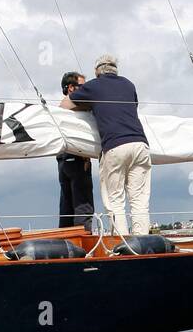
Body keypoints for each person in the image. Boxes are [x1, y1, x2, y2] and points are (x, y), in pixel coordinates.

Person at [62, 54, 151, 236]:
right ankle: (143, 242)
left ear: (97, 72)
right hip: (141, 145)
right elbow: (131, 106)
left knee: (115, 200)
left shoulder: (94, 86)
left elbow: (64, 105)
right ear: (115, 69)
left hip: (115, 145)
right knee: (139, 201)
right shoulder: (129, 84)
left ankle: (122, 243)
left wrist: (88, 106)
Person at [57, 71, 95, 231]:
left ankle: (65, 243)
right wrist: (85, 157)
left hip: (62, 158)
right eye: (83, 86)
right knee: (83, 204)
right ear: (72, 88)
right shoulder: (77, 107)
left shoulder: (60, 108)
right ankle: (84, 243)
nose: (86, 90)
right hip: (77, 157)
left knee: (66, 204)